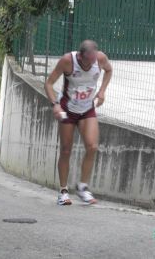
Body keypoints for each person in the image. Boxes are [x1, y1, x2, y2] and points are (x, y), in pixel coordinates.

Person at [44, 40, 112, 205]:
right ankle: (63, 192)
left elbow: (109, 71)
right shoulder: (68, 61)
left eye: (93, 60)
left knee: (92, 146)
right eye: (88, 61)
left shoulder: (100, 58)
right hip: (68, 109)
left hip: (87, 108)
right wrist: (55, 104)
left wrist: (102, 92)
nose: (91, 64)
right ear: (81, 56)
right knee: (66, 150)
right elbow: (49, 83)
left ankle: (83, 187)